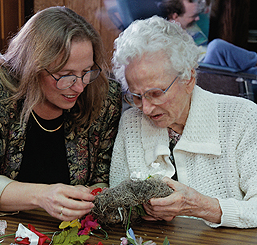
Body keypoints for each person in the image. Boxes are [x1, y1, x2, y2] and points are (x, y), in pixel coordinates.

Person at [0, 6, 122, 220]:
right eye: (66, 75)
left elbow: (103, 177)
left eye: (86, 72)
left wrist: (98, 196)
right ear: (32, 68)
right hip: (7, 225)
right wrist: (42, 196)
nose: (80, 87)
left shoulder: (103, 94)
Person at [110, 15, 257, 228]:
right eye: (136, 96)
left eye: (156, 93)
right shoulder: (132, 122)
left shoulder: (242, 117)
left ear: (188, 78)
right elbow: (118, 202)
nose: (146, 108)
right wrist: (140, 209)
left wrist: (201, 206)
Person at [162, 0, 257, 74]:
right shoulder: (166, 35)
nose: (197, 18)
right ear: (175, 16)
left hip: (206, 64)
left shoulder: (191, 29)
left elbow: (203, 46)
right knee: (216, 46)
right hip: (196, 71)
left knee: (238, 69)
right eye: (192, 16)